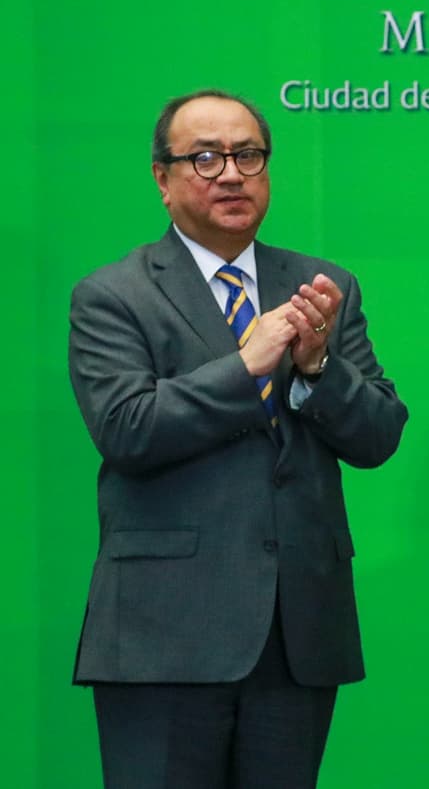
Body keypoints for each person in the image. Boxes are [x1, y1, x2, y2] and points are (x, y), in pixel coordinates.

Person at [68, 89, 409, 788]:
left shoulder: (322, 285)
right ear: (162, 179)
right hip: (163, 634)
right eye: (205, 157)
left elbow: (378, 433)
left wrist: (317, 366)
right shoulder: (113, 294)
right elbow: (126, 428)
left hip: (296, 633)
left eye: (248, 155)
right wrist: (245, 366)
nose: (231, 173)